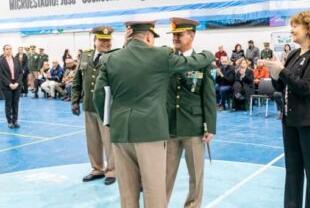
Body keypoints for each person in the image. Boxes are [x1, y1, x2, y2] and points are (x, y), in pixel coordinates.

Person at [93, 21, 213, 208]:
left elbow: (99, 96)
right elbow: (192, 62)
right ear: (149, 36)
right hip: (150, 131)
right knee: (154, 191)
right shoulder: (161, 56)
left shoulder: (110, 58)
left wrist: (110, 123)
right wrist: (209, 54)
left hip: (120, 133)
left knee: (127, 192)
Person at [265, 11, 310, 208]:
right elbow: (281, 87)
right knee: (292, 170)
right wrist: (274, 74)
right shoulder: (293, 54)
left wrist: (282, 71)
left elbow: (305, 87)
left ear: (309, 29)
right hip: (291, 121)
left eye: (296, 26)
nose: (291, 29)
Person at [165, 18, 216, 208]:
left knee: (196, 175)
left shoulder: (203, 63)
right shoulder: (167, 59)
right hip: (169, 126)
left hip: (194, 127)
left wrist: (210, 126)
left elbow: (209, 96)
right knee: (165, 175)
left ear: (192, 35)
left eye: (180, 34)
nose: (176, 38)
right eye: (174, 35)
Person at [71, 26, 116, 186]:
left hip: (108, 107)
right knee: (93, 140)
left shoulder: (115, 56)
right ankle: (97, 168)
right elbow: (78, 80)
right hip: (89, 105)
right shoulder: (85, 56)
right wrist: (75, 100)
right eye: (102, 40)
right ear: (94, 40)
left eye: (108, 40)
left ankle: (112, 170)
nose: (106, 43)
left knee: (109, 140)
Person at [0, 45, 23, 129]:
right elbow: (1, 74)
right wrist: (9, 84)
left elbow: (21, 73)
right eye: (7, 49)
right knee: (8, 104)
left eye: (10, 49)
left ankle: (15, 120)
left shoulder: (17, 60)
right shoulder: (1, 61)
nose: (9, 51)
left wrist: (17, 83)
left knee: (15, 103)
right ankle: (9, 121)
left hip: (17, 84)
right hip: (6, 85)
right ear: (4, 51)